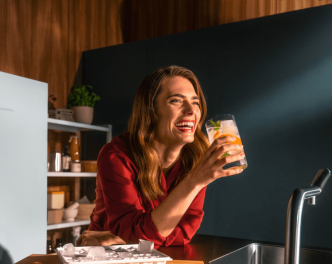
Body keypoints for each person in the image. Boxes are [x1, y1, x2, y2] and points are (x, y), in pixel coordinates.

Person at [77, 66, 244, 248]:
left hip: (140, 255)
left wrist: (117, 238)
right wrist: (194, 181)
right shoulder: (116, 155)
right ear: (151, 111)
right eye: (176, 101)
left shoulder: (197, 156)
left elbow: (185, 232)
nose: (191, 110)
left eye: (195, 102)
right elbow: (138, 234)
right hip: (101, 259)